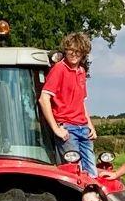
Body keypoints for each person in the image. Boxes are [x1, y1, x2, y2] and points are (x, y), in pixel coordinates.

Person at [39, 32, 97, 175]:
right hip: (68, 128)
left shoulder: (81, 72)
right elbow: (44, 98)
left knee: (92, 173)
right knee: (73, 172)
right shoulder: (59, 69)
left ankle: (93, 198)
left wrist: (90, 125)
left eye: (78, 51)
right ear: (66, 50)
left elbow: (81, 102)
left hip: (83, 127)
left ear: (83, 53)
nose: (74, 54)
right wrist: (56, 129)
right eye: (71, 50)